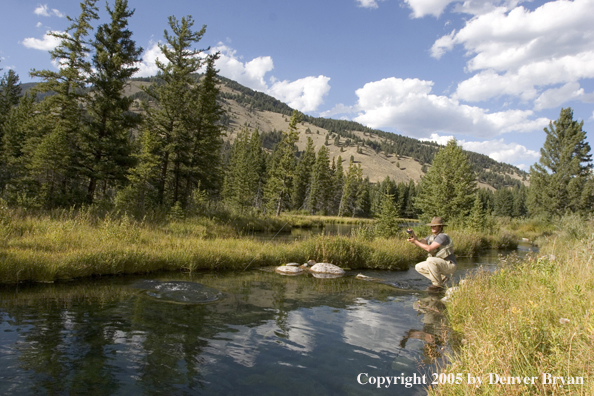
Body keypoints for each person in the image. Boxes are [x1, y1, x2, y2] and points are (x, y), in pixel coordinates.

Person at [407, 216, 456, 291]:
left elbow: (429, 248)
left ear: (440, 227)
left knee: (430, 260)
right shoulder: (431, 237)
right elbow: (419, 243)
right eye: (431, 226)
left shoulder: (443, 237)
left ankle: (437, 285)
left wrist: (415, 241)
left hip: (449, 264)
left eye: (435, 226)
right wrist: (412, 234)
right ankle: (442, 278)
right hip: (439, 263)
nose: (432, 227)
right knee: (418, 266)